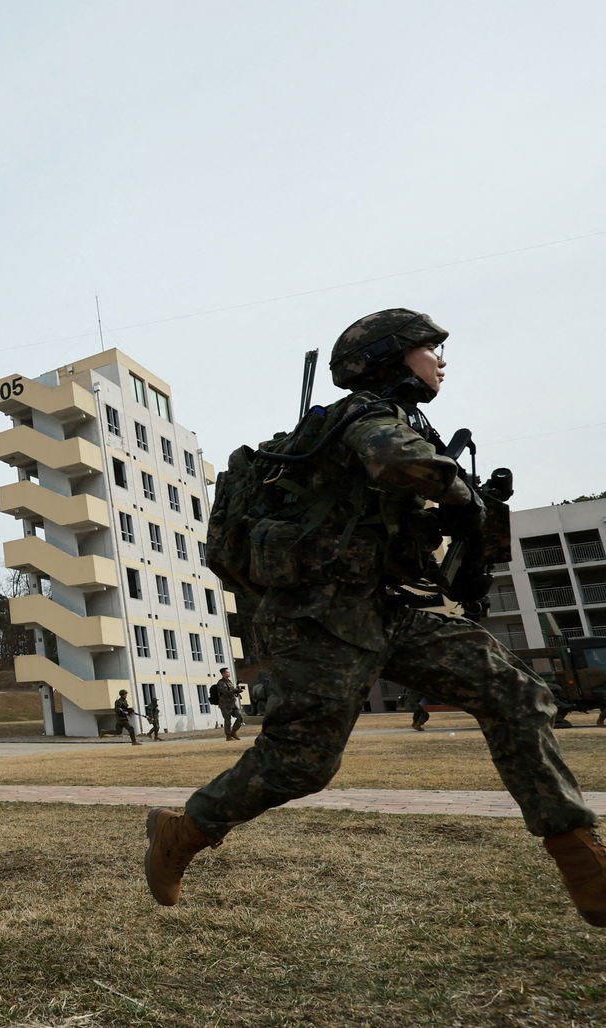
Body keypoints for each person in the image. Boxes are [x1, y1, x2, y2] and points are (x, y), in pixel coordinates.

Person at [144, 309, 606, 926]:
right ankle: (182, 832)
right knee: (300, 764)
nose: (441, 359)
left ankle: (578, 854)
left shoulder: (413, 424)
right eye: (429, 348)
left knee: (514, 691)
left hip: (395, 608)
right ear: (392, 356)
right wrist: (463, 495)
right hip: (321, 617)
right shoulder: (363, 417)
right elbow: (393, 461)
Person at [211, 669, 245, 741]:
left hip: (232, 704)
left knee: (240, 718)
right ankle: (228, 736)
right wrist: (235, 690)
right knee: (228, 720)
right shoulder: (221, 683)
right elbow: (226, 692)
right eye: (227, 672)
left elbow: (232, 692)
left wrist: (238, 690)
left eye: (229, 672)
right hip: (225, 705)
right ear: (223, 674)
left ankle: (233, 732)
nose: (229, 673)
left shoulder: (229, 682)